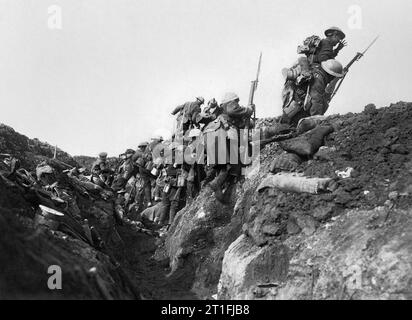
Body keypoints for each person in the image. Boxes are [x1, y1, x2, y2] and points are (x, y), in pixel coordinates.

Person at [202, 92, 254, 203]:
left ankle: (221, 191)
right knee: (230, 163)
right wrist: (248, 110)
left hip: (211, 133)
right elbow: (233, 111)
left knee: (223, 165)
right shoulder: (231, 105)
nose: (237, 104)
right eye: (237, 102)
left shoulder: (222, 112)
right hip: (219, 132)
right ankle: (216, 184)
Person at [281, 59, 345, 125]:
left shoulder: (317, 68)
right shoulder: (319, 80)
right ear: (330, 75)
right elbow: (316, 100)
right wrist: (317, 119)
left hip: (291, 92)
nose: (333, 79)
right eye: (334, 77)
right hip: (294, 98)